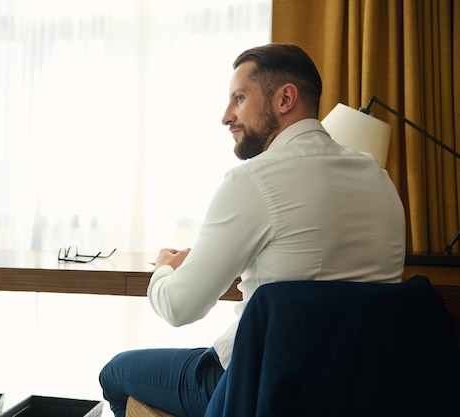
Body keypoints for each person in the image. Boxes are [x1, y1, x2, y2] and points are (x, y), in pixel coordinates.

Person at [99, 43, 406, 417]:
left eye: (239, 98)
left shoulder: (253, 181)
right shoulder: (379, 178)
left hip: (261, 391)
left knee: (115, 373)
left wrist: (165, 267)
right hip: (358, 392)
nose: (226, 117)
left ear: (285, 98)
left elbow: (179, 307)